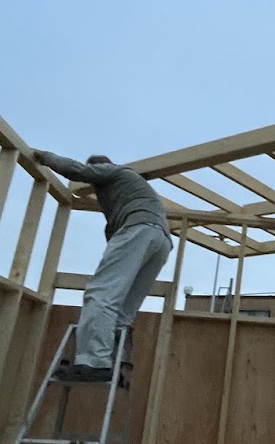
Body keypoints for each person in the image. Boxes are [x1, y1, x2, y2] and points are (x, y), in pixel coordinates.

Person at [32, 150, 172, 383]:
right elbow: (113, 235)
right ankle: (113, 365)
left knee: (100, 295)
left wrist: (44, 157)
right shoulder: (131, 191)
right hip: (161, 241)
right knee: (122, 311)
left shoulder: (114, 172)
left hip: (138, 230)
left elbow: (76, 170)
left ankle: (94, 363)